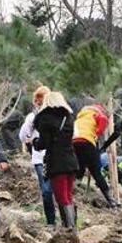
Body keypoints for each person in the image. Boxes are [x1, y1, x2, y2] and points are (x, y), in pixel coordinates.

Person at [33, 91, 79, 229]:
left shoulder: (45, 118)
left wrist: (35, 142)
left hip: (56, 162)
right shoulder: (69, 117)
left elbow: (43, 143)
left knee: (61, 196)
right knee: (68, 195)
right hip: (71, 160)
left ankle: (69, 228)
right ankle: (71, 226)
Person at [19, 85, 56, 227]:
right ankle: (53, 222)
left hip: (49, 157)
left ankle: (56, 222)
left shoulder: (37, 116)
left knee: (49, 191)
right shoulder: (33, 117)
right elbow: (22, 136)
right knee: (49, 191)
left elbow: (22, 136)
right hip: (44, 157)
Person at [72, 102, 120, 208]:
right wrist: (98, 134)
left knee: (79, 169)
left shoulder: (80, 118)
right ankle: (111, 201)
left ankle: (73, 195)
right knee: (96, 172)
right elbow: (104, 120)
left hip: (75, 143)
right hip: (87, 142)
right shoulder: (95, 113)